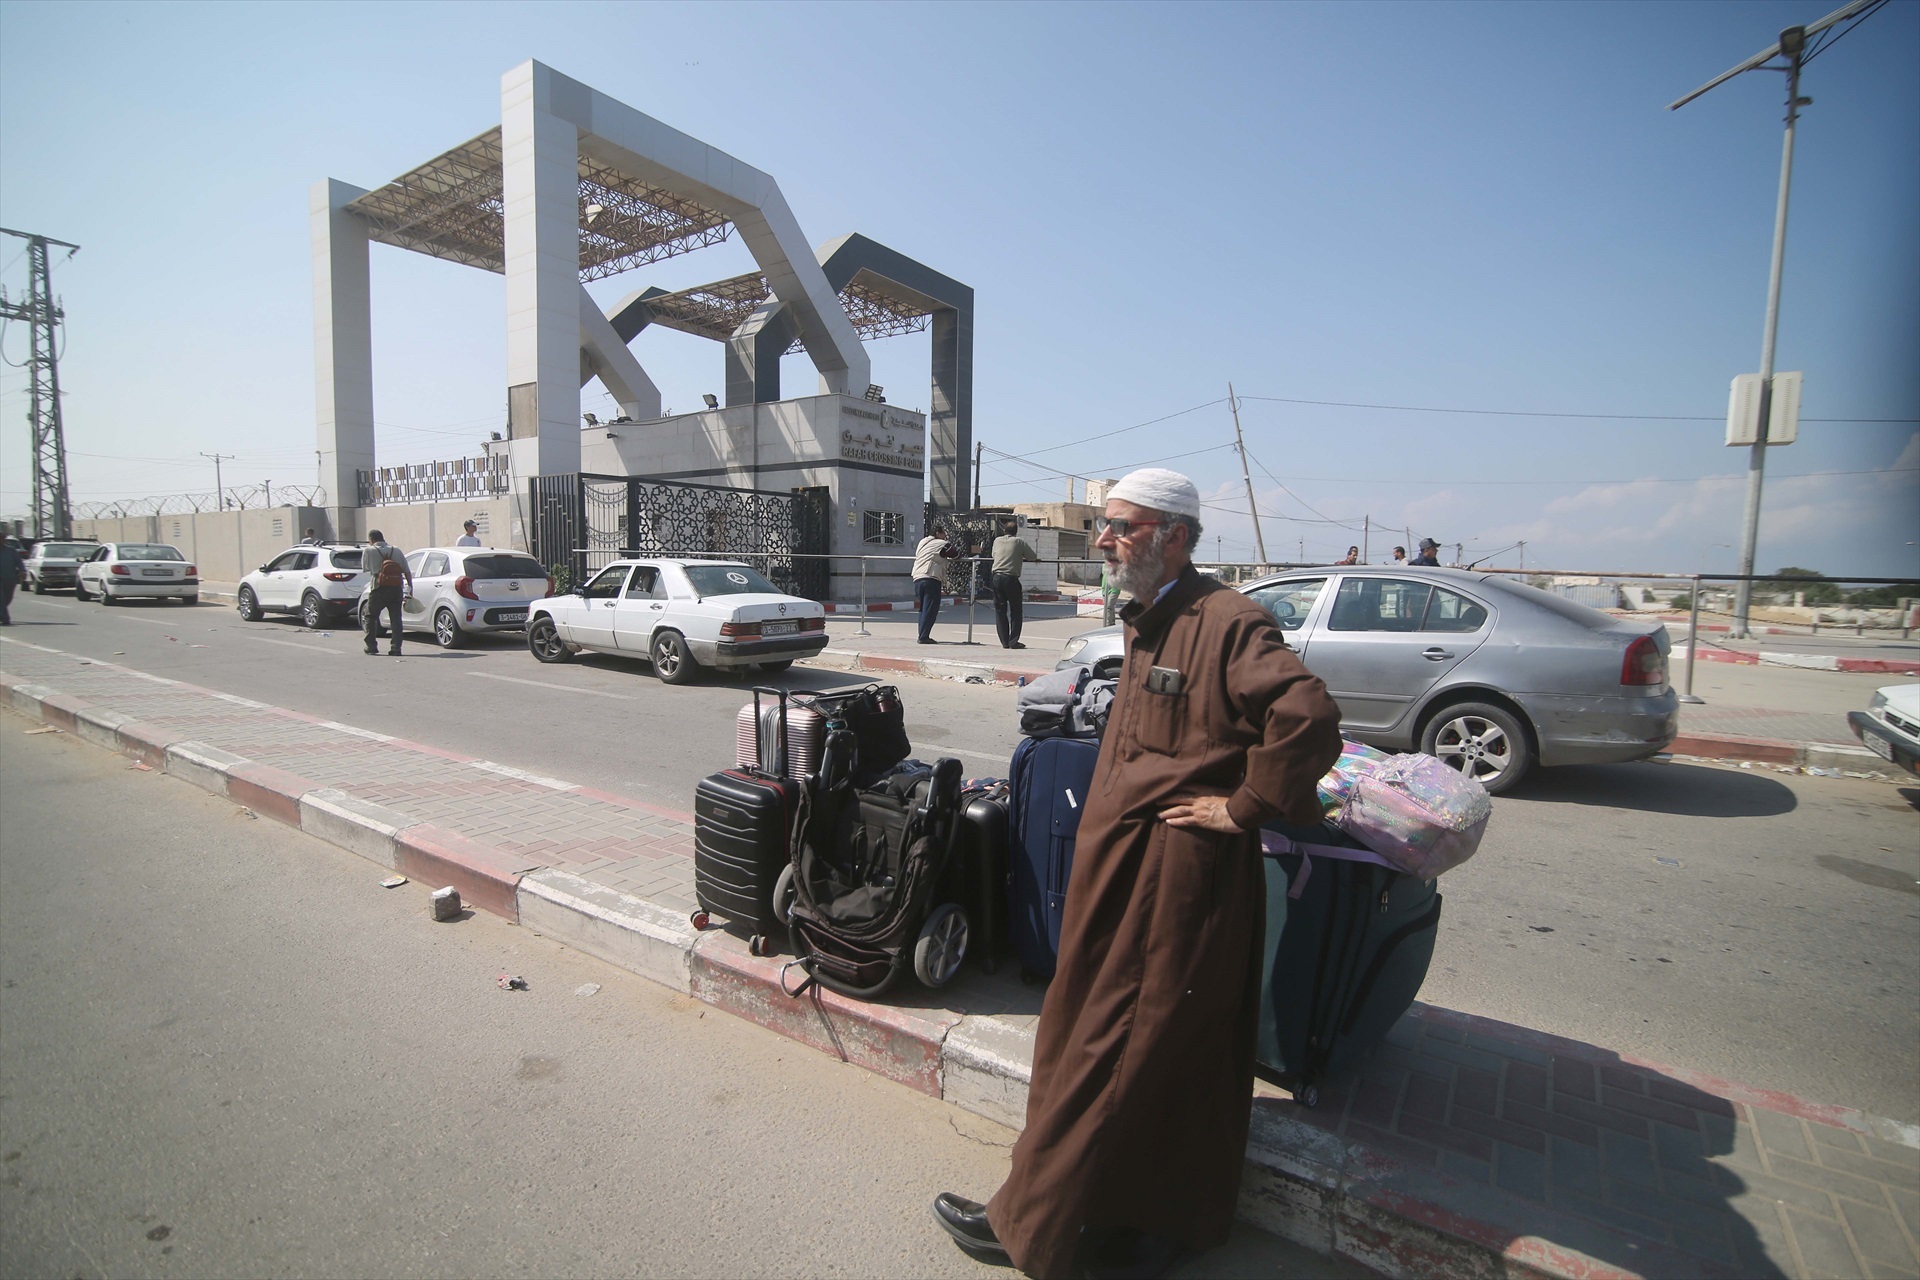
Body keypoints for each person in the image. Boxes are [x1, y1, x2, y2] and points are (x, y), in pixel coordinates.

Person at [933, 468, 1342, 1280]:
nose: (1105, 539)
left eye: (1122, 525)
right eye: (1105, 525)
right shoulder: (1152, 616)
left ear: (1175, 536)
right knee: (1169, 1050)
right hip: (1130, 875)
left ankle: (1035, 1225)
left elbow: (1307, 716)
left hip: (1167, 884)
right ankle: (1155, 1229)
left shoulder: (1225, 620)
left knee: (1103, 1045)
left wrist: (1244, 806)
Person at [361, 530, 413, 656]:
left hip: (378, 588)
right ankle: (396, 648)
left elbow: (365, 568)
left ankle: (371, 646)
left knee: (370, 616)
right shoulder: (396, 550)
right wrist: (410, 588)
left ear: (371, 539)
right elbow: (406, 571)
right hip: (396, 588)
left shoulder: (369, 550)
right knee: (396, 619)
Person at [990, 521, 1040, 649]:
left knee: (1000, 611)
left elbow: (994, 555)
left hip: (997, 578)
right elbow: (1032, 556)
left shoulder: (997, 541)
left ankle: (1004, 642)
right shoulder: (1019, 542)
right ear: (1016, 531)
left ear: (1004, 530)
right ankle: (1013, 641)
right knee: (1016, 611)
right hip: (1011, 578)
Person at [910, 521, 961, 644]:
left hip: (917, 577)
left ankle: (922, 634)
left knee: (923, 608)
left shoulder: (922, 542)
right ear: (938, 533)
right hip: (931, 578)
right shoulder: (942, 544)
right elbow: (955, 555)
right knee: (931, 609)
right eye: (944, 533)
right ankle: (923, 637)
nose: (945, 536)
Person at [0, 538, 25, 626]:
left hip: (10, 578)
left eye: (2, 539)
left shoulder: (11, 550)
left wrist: (23, 571)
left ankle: (2, 612)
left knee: (8, 598)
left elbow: (19, 562)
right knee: (1, 598)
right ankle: (5, 618)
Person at [1100, 560, 1120, 627]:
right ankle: (1111, 623)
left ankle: (1109, 624)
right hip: (1105, 588)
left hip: (1115, 588)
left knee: (1109, 605)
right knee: (1108, 607)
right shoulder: (1103, 564)